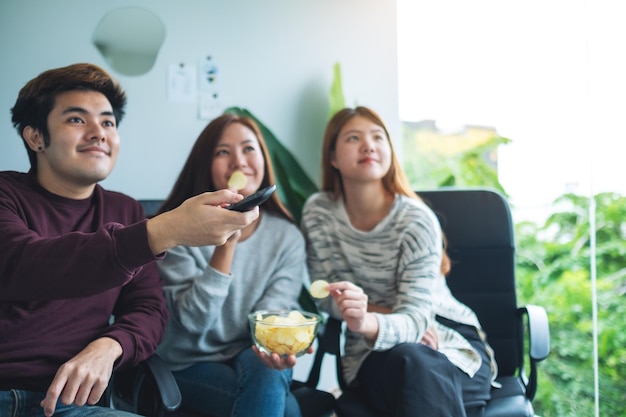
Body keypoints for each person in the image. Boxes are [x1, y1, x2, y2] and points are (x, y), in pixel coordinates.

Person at [0, 63, 258, 417]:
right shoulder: (6, 194)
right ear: (35, 137)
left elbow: (149, 311)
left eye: (108, 122)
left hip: (75, 404)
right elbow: (25, 264)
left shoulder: (125, 209)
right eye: (77, 120)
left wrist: (109, 344)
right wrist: (165, 230)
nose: (98, 133)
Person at [300, 106, 497, 417]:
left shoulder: (416, 221)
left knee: (415, 362)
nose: (369, 145)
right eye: (354, 138)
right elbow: (325, 295)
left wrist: (367, 316)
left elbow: (420, 319)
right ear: (333, 158)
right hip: (372, 354)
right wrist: (378, 316)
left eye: (378, 137)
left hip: (446, 341)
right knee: (410, 361)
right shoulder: (319, 213)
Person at [154, 113, 308, 417]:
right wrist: (226, 244)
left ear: (263, 159)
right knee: (287, 408)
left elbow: (270, 321)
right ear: (205, 164)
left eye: (249, 149)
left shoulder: (286, 237)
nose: (239, 162)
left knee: (266, 368)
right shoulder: (177, 226)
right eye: (223, 152)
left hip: (247, 355)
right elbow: (193, 323)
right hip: (187, 363)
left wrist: (280, 345)